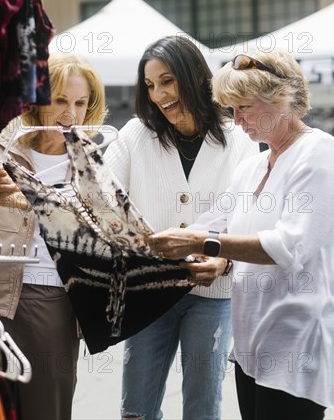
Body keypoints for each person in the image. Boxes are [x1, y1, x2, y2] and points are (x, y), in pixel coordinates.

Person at [147, 47, 334, 420]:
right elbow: (214, 221)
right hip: (253, 342)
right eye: (231, 110)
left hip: (296, 343)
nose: (236, 122)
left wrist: (202, 243)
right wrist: (145, 240)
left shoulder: (319, 154)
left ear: (281, 98)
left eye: (244, 108)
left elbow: (291, 246)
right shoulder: (253, 166)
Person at [104, 36, 259, 420]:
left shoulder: (238, 137)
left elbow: (247, 215)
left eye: (167, 80)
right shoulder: (134, 134)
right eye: (151, 85)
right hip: (148, 291)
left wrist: (223, 262)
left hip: (213, 293)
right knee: (136, 409)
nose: (159, 94)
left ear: (193, 77)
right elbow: (100, 198)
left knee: (203, 406)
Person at [0, 54, 106, 420]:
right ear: (36, 100)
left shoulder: (90, 161)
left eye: (81, 103)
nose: (71, 114)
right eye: (61, 100)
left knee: (48, 410)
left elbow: (99, 235)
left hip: (57, 299)